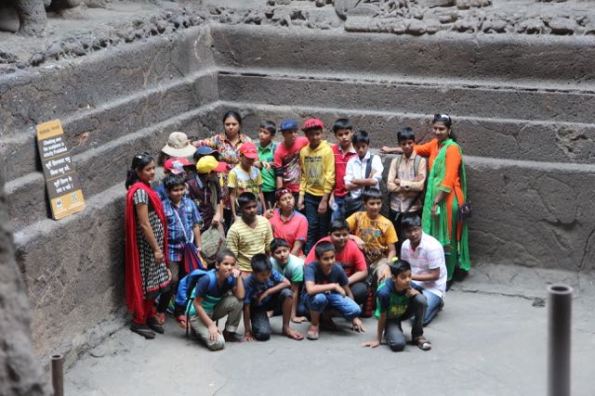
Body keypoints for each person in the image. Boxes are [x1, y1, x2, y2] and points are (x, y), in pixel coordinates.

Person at [385, 114, 471, 281]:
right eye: (435, 128)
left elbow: (449, 178)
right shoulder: (435, 145)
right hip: (435, 199)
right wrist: (391, 150)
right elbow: (414, 148)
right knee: (436, 238)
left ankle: (448, 276)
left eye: (442, 129)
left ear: (449, 130)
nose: (438, 131)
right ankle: (436, 271)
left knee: (448, 238)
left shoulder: (452, 148)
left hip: (448, 199)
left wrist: (437, 200)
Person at [124, 152, 171, 339]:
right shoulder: (141, 192)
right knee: (148, 283)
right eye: (148, 169)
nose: (153, 172)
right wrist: (156, 249)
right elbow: (144, 223)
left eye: (153, 168)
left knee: (157, 282)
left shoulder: (145, 187)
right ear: (138, 171)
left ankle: (149, 314)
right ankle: (139, 320)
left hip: (154, 244)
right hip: (148, 247)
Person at [193, 111, 253, 231]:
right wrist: (188, 144)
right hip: (222, 182)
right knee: (224, 212)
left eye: (234, 124)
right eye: (227, 124)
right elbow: (202, 143)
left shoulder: (246, 140)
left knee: (241, 211)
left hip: (240, 181)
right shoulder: (218, 139)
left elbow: (251, 158)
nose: (230, 127)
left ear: (239, 125)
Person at [362, 260, 432, 352]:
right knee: (398, 344)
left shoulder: (409, 284)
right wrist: (378, 339)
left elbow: (422, 302)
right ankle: (391, 331)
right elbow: (382, 316)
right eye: (403, 277)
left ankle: (417, 335)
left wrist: (416, 293)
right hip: (390, 317)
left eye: (409, 276)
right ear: (394, 278)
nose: (408, 280)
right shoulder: (384, 292)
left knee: (421, 299)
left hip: (403, 311)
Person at [161, 173, 203, 323]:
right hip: (172, 250)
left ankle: (180, 311)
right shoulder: (163, 207)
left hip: (188, 249)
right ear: (167, 191)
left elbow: (196, 225)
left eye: (181, 189)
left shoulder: (190, 204)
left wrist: (198, 247)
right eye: (175, 190)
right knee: (172, 279)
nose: (179, 193)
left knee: (187, 280)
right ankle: (162, 308)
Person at [302, 241, 365, 340]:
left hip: (331, 297)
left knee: (355, 309)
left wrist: (354, 317)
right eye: (326, 259)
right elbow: (310, 290)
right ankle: (314, 325)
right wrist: (333, 286)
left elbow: (347, 291)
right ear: (318, 259)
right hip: (312, 298)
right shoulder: (311, 268)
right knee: (320, 298)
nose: (330, 261)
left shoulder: (337, 269)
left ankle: (326, 316)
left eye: (332, 258)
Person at [187, 249, 245, 351]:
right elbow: (197, 304)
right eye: (226, 264)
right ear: (217, 265)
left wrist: (239, 276)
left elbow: (240, 296)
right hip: (197, 314)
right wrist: (211, 325)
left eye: (232, 265)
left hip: (212, 311)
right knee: (218, 343)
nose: (229, 267)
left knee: (237, 301)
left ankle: (229, 333)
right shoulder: (207, 279)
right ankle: (197, 329)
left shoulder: (230, 279)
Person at [305, 220, 368, 306]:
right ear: (329, 234)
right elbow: (307, 266)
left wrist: (345, 281)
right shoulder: (322, 245)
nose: (341, 238)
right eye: (337, 235)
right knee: (303, 309)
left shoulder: (353, 247)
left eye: (345, 235)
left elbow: (363, 271)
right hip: (323, 284)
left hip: (345, 285)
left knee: (361, 290)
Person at [243, 254, 304, 341]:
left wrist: (267, 292)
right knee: (263, 335)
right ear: (254, 273)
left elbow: (287, 283)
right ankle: (259, 320)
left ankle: (286, 328)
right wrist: (247, 331)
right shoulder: (248, 283)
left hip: (271, 300)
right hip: (257, 307)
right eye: (263, 275)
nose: (267, 277)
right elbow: (246, 307)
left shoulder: (270, 272)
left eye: (268, 274)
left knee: (287, 293)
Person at [297, 118, 335, 254]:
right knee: (311, 226)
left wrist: (325, 199)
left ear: (322, 133)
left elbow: (330, 176)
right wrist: (301, 195)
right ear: (306, 135)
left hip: (323, 195)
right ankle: (309, 254)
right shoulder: (303, 152)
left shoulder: (327, 150)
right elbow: (303, 176)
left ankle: (324, 255)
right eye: (311, 134)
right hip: (309, 195)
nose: (314, 137)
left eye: (317, 133)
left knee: (323, 227)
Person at [399, 215, 446, 326]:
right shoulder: (405, 245)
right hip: (413, 282)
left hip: (433, 287)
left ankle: (438, 303)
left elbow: (435, 275)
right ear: (404, 232)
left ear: (421, 228)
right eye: (409, 231)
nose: (413, 234)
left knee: (420, 319)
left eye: (416, 229)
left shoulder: (432, 247)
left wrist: (409, 277)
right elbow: (405, 267)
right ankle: (417, 299)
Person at [386, 127, 427, 253]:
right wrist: (410, 185)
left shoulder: (420, 162)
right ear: (399, 145)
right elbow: (389, 185)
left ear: (414, 142)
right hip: (395, 207)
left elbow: (420, 186)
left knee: (412, 237)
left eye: (410, 143)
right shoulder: (395, 161)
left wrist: (401, 182)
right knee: (395, 238)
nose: (407, 146)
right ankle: (398, 264)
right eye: (404, 144)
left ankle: (412, 263)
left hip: (413, 208)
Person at [346, 188, 398, 284]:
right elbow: (338, 231)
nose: (376, 207)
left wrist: (387, 265)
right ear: (365, 204)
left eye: (378, 203)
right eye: (372, 203)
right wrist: (354, 237)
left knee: (384, 280)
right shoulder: (357, 217)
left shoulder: (387, 223)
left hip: (379, 259)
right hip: (359, 257)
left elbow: (392, 250)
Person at [226, 192, 274, 276]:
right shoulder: (234, 230)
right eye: (248, 208)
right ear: (240, 209)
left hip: (263, 268)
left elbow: (269, 248)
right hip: (244, 270)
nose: (252, 210)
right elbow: (232, 256)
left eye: (254, 206)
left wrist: (269, 268)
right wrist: (240, 274)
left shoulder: (265, 222)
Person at [344, 129, 384, 218]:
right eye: (358, 147)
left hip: (372, 202)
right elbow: (347, 186)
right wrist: (366, 181)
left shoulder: (375, 159)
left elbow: (374, 181)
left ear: (368, 145)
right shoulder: (351, 162)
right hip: (355, 202)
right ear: (354, 146)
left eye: (363, 146)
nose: (361, 149)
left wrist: (355, 181)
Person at [269, 238, 307, 323]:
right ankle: (275, 309)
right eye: (278, 252)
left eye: (285, 251)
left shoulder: (296, 265)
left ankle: (284, 310)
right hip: (281, 288)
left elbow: (294, 291)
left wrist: (293, 316)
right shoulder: (270, 263)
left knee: (301, 310)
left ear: (289, 250)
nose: (282, 254)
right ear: (272, 254)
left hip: (300, 289)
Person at [273, 119, 309, 203]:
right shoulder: (279, 151)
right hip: (289, 188)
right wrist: (280, 193)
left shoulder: (303, 141)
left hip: (303, 185)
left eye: (295, 131)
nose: (293, 135)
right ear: (283, 134)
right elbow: (279, 174)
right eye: (289, 132)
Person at [187, 155, 226, 232]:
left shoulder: (214, 182)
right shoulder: (190, 186)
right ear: (209, 174)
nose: (217, 174)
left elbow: (218, 199)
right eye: (215, 172)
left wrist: (218, 214)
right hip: (197, 226)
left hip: (213, 222)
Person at [227, 142, 267, 218]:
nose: (250, 161)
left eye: (252, 159)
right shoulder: (234, 173)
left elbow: (260, 192)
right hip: (242, 208)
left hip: (256, 206)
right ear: (240, 157)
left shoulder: (256, 171)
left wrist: (264, 210)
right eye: (248, 158)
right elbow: (232, 195)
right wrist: (234, 215)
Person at [330, 118, 357, 222]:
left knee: (353, 225)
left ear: (352, 133)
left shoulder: (357, 152)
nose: (344, 137)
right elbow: (331, 174)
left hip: (353, 196)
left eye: (347, 133)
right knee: (335, 224)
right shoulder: (333, 151)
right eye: (340, 135)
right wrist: (331, 194)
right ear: (335, 136)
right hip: (337, 196)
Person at [268, 189, 308, 257]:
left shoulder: (302, 219)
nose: (288, 201)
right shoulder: (271, 215)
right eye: (284, 199)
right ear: (278, 204)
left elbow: (297, 247)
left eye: (290, 197)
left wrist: (287, 262)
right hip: (275, 255)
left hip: (293, 256)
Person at [256, 120, 278, 209]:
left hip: (270, 187)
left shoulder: (275, 150)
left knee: (270, 212)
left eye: (265, 133)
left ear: (272, 136)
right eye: (260, 131)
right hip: (257, 188)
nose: (261, 134)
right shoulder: (255, 149)